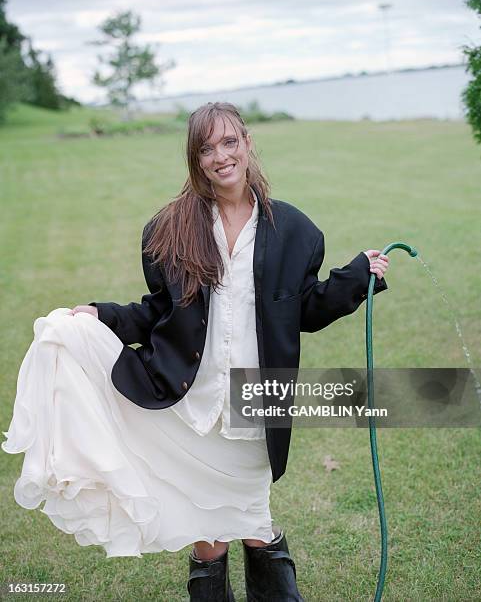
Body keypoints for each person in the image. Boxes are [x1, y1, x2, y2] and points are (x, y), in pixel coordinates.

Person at [2, 101, 389, 601]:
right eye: (206, 148)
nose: (220, 156)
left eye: (229, 142)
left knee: (252, 515)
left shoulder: (295, 231)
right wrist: (103, 317)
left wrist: (358, 277)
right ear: (195, 159)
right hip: (189, 401)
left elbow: (303, 311)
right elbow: (157, 312)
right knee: (207, 538)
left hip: (254, 401)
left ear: (248, 144)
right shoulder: (170, 229)